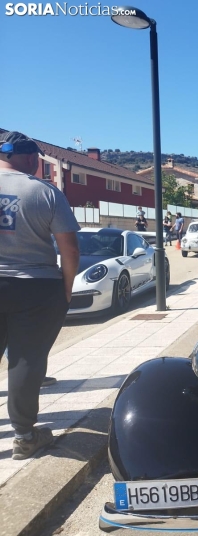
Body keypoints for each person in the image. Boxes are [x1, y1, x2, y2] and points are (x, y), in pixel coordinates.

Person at [0, 131, 80, 460]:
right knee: (26, 359)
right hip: (36, 285)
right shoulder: (44, 191)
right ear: (32, 160)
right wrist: (67, 286)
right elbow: (69, 248)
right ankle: (24, 436)